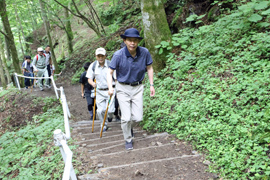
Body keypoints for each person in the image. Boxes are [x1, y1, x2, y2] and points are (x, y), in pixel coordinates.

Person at [107, 28, 155, 150]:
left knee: (138, 118)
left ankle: (129, 127)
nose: (132, 43)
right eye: (129, 40)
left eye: (135, 40)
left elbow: (149, 68)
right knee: (126, 118)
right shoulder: (118, 55)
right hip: (122, 87)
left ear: (138, 41)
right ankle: (128, 139)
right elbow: (110, 72)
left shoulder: (144, 52)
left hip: (138, 87)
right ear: (125, 41)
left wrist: (151, 85)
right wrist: (110, 87)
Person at [86, 47, 116, 132]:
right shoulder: (93, 66)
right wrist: (92, 83)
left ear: (105, 56)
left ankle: (110, 116)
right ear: (96, 56)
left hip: (110, 91)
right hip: (99, 91)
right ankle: (103, 125)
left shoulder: (111, 64)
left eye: (102, 56)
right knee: (100, 111)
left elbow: (116, 78)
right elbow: (89, 78)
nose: (100, 58)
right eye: (98, 56)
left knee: (111, 110)